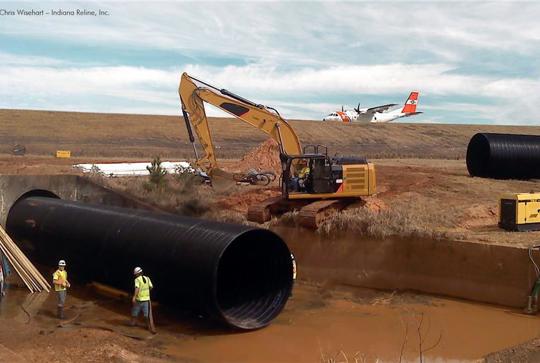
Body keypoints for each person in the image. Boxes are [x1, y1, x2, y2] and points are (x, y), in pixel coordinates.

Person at [131, 267, 155, 332]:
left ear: (137, 274)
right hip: (146, 299)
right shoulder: (147, 278)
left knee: (135, 311)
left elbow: (137, 288)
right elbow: (151, 287)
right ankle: (148, 326)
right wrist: (146, 292)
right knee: (146, 314)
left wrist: (134, 297)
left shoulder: (137, 280)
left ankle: (133, 323)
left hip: (139, 299)